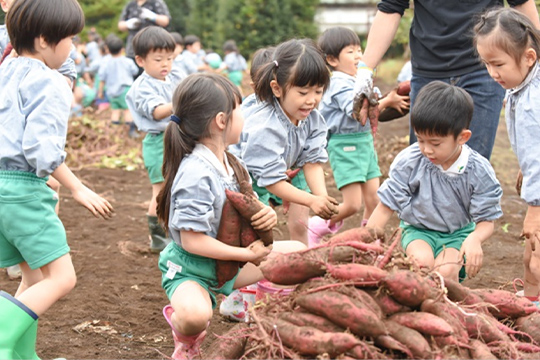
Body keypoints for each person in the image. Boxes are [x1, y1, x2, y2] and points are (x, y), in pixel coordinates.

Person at [155, 72, 305, 359]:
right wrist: (246, 255)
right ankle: (184, 337)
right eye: (240, 110)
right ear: (221, 121)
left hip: (229, 264)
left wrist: (266, 215)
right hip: (192, 270)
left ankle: (268, 321)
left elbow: (250, 206)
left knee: (298, 255)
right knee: (196, 316)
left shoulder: (232, 162)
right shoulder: (196, 174)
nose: (244, 117)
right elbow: (193, 242)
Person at [0, 0, 113, 357]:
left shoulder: (5, 71)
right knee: (62, 278)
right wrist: (77, 187)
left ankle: (20, 355)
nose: (74, 49)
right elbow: (41, 151)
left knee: (33, 278)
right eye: (70, 39)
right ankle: (1, 339)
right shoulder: (51, 83)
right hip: (23, 191)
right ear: (47, 40)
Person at [352, 0, 540, 160]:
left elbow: (522, 4)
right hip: (428, 70)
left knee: (471, 163)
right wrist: (365, 70)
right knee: (426, 160)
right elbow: (391, 7)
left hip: (483, 68)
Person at [367, 81, 503, 282]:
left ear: (462, 137)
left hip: (458, 235)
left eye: (435, 143)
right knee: (421, 264)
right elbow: (386, 206)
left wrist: (475, 238)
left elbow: (487, 221)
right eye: (420, 140)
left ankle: (446, 310)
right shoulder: (411, 161)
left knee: (446, 272)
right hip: (418, 230)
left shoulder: (478, 170)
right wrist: (367, 244)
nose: (427, 150)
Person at [236, 39, 339, 247]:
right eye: (303, 93)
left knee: (290, 224)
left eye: (318, 91)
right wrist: (311, 200)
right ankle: (248, 276)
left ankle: (295, 261)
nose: (311, 100)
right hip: (243, 181)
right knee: (251, 233)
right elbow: (271, 180)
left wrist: (321, 198)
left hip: (277, 171)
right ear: (277, 88)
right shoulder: (266, 126)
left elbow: (312, 161)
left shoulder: (312, 118)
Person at [313, 26, 409, 246]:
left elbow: (374, 106)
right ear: (332, 59)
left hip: (364, 143)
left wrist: (390, 101)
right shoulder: (337, 83)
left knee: (374, 199)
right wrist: (388, 101)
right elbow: (359, 112)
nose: (359, 56)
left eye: (359, 50)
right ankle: (317, 225)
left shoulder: (359, 80)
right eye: (351, 51)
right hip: (345, 145)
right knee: (352, 205)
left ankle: (368, 242)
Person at [474, 8, 540, 301]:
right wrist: (526, 167)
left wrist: (535, 210)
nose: (492, 73)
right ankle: (530, 307)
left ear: (528, 57)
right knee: (531, 260)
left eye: (498, 64)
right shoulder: (523, 84)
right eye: (486, 64)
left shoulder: (532, 102)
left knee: (537, 260)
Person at [126, 26, 185, 253]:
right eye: (158, 59)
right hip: (158, 142)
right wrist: (184, 100)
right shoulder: (141, 87)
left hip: (178, 138)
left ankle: (174, 232)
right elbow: (158, 112)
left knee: (177, 187)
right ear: (141, 60)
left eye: (169, 58)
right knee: (160, 192)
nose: (165, 64)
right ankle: (159, 239)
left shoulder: (175, 75)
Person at [97, 34, 139, 136]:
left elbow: (102, 79)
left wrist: (100, 92)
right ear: (122, 49)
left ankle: (115, 132)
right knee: (127, 110)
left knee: (115, 111)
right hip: (125, 90)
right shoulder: (127, 61)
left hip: (111, 91)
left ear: (108, 50)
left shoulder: (105, 62)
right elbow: (135, 71)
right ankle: (131, 131)